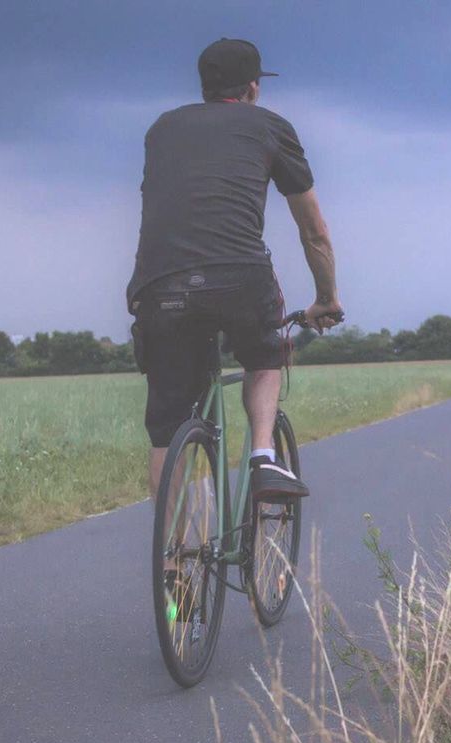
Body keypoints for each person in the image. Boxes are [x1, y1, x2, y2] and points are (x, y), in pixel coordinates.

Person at [127, 38, 342, 501]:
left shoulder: (161, 129)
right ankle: (263, 456)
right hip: (239, 275)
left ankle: (172, 565)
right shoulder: (271, 128)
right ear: (252, 88)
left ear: (204, 85)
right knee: (265, 356)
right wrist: (327, 299)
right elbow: (314, 231)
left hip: (160, 283)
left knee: (168, 427)